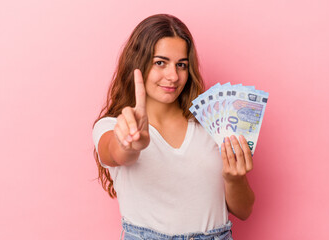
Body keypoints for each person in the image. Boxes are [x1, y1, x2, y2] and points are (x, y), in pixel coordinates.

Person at [92, 14, 255, 240]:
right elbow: (116, 153)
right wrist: (130, 143)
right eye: (160, 62)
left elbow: (244, 211)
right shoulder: (112, 127)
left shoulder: (211, 125)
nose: (173, 76)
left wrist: (234, 179)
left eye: (181, 65)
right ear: (138, 63)